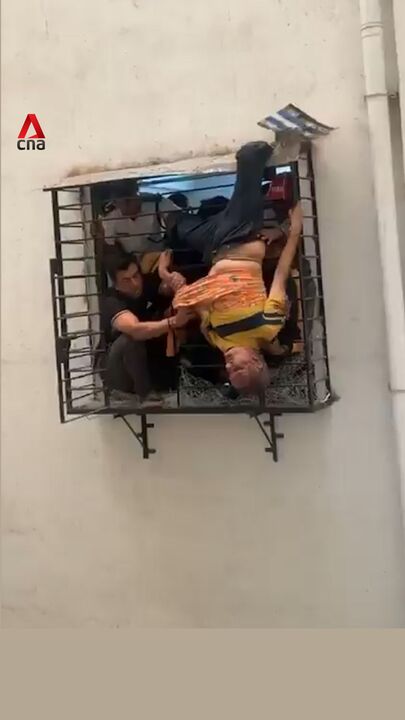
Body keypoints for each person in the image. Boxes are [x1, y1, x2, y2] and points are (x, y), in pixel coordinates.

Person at [158, 141, 304, 393]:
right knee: (250, 158)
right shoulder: (267, 326)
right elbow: (281, 274)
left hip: (213, 248)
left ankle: (207, 213)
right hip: (240, 235)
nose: (228, 365)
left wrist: (169, 278)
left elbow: (201, 303)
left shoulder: (218, 340)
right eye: (238, 368)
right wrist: (294, 232)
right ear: (256, 363)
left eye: (229, 371)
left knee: (176, 224)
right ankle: (277, 143)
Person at [99, 254, 191, 402]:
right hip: (119, 373)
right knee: (130, 339)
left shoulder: (145, 285)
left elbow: (168, 261)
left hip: (149, 364)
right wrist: (173, 322)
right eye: (126, 280)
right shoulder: (111, 300)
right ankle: (145, 396)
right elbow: (135, 329)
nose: (135, 283)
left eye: (136, 276)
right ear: (116, 284)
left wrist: (166, 274)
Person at [92, 178, 181, 260]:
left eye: (129, 200)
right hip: (129, 262)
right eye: (115, 201)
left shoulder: (155, 202)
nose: (116, 205)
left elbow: (178, 218)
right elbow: (109, 246)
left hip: (157, 259)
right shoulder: (110, 215)